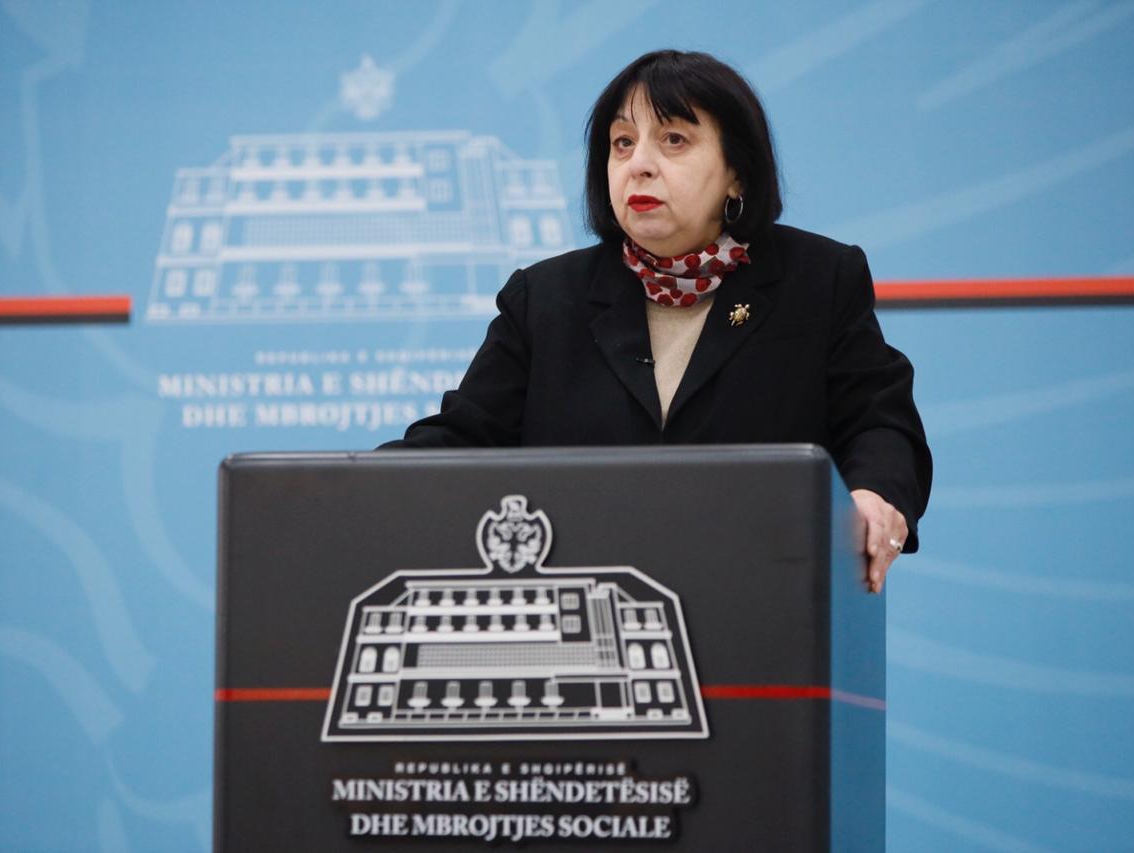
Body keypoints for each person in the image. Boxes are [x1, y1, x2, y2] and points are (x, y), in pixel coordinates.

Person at [382, 50, 932, 594]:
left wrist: (874, 496)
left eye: (674, 139)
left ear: (737, 173)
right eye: (623, 143)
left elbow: (879, 424)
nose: (639, 164)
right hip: (582, 603)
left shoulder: (817, 280)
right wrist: (353, 487)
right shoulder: (545, 299)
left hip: (763, 599)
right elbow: (464, 438)